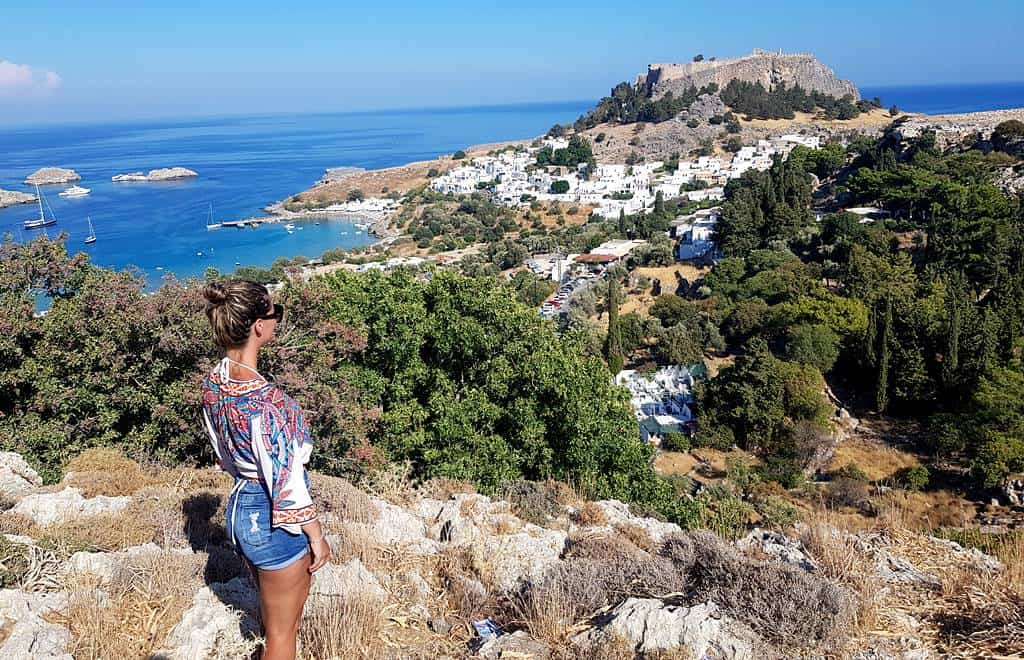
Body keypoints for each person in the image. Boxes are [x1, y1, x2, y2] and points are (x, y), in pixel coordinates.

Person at [199, 279, 330, 660]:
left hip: (240, 509)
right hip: (272, 518)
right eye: (276, 314)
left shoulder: (213, 384)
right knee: (283, 637)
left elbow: (223, 454)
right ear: (259, 325)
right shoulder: (271, 404)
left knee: (272, 621)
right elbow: (287, 482)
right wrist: (316, 536)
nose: (276, 321)